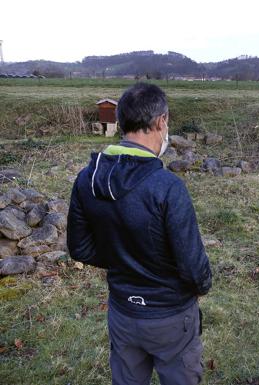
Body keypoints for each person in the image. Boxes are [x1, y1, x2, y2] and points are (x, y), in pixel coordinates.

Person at [68, 82, 212, 385]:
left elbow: (79, 248)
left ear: (120, 122)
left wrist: (122, 259)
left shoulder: (86, 178)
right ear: (161, 121)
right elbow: (193, 267)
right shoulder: (168, 187)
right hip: (171, 316)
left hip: (122, 312)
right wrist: (200, 285)